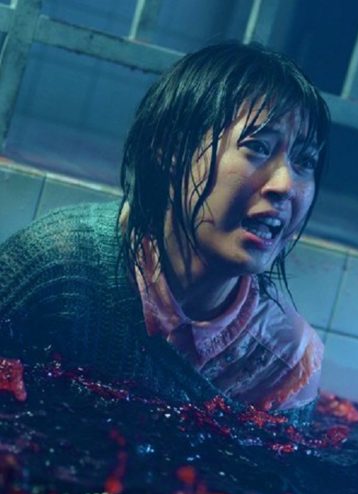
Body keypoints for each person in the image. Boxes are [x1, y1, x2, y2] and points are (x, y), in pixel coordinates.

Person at [0, 42, 330, 425]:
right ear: (171, 148)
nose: (285, 184)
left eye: (305, 161)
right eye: (257, 147)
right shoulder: (58, 268)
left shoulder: (283, 362)